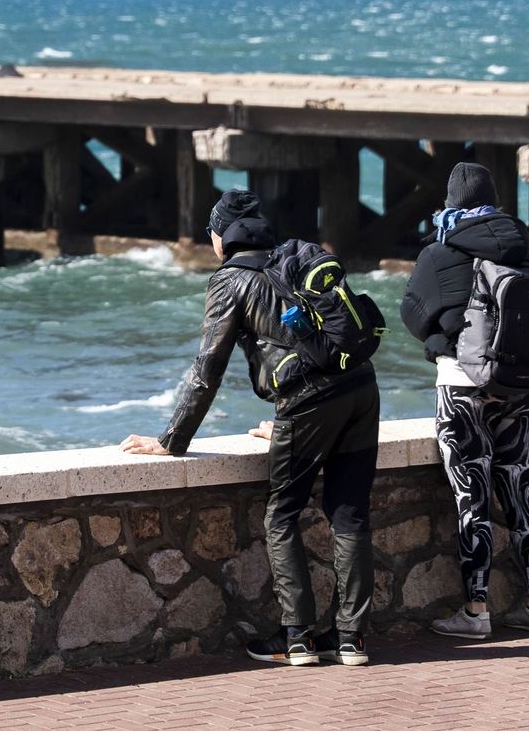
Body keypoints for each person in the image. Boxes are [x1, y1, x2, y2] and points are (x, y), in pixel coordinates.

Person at [121, 188, 380, 667]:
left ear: (221, 237)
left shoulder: (229, 281)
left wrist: (171, 440)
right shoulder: (296, 258)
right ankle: (351, 639)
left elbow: (208, 367)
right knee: (350, 512)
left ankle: (296, 638)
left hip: (307, 402)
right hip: (361, 387)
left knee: (282, 514)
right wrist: (284, 426)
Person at [399, 162, 529, 639]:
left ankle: (475, 610)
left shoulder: (439, 251)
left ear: (450, 202)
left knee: (472, 497)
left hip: (461, 383)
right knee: (519, 488)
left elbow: (411, 313)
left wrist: (441, 335)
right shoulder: (520, 252)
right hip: (517, 385)